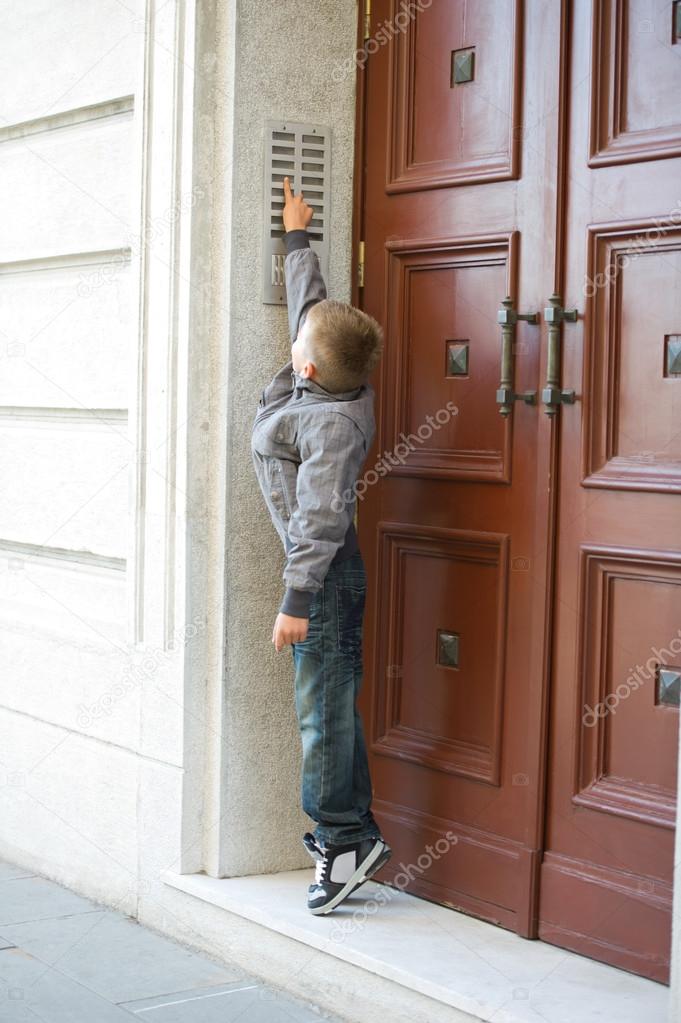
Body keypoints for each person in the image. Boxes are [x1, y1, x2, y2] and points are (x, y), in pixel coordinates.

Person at [251, 177, 392, 915]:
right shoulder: (329, 379)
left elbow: (320, 519)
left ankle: (339, 845)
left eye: (297, 344)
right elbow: (314, 313)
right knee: (330, 710)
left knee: (323, 717)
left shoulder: (330, 429)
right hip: (322, 582)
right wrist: (295, 238)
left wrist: (296, 603)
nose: (296, 333)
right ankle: (356, 832)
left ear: (305, 367)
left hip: (325, 583)